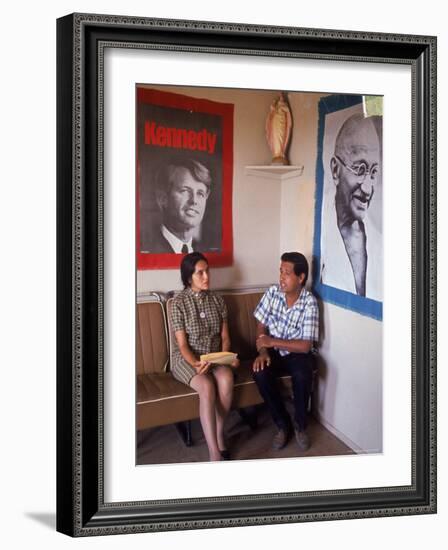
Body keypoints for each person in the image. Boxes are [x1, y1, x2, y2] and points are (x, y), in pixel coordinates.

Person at [170, 252, 239, 461]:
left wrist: (227, 356)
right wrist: (196, 364)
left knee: (227, 379)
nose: (206, 276)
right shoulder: (178, 303)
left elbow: (225, 337)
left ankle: (218, 433)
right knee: (207, 386)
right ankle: (214, 452)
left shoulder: (217, 300)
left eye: (207, 271)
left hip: (214, 356)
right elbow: (182, 345)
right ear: (188, 277)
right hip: (187, 359)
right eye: (200, 273)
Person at [252, 252, 319, 451]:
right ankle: (283, 425)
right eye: (281, 271)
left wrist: (272, 341)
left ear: (301, 278)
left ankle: (300, 425)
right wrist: (263, 351)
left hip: (296, 351)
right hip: (272, 350)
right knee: (260, 372)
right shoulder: (273, 292)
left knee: (302, 373)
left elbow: (305, 345)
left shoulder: (309, 302)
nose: (282, 277)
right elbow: (260, 325)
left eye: (287, 273)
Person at [321, 112, 382, 300]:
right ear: (335, 170)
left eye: (373, 172)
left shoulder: (381, 243)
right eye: (360, 169)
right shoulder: (323, 239)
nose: (367, 188)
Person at [148, 158, 212, 253]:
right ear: (162, 199)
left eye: (200, 193)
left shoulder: (206, 252)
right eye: (185, 191)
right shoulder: (147, 249)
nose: (194, 201)